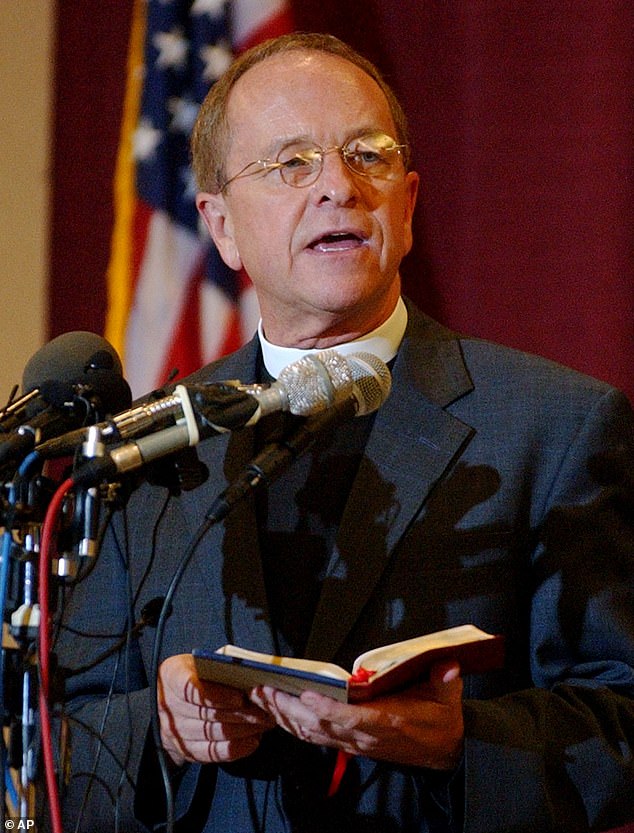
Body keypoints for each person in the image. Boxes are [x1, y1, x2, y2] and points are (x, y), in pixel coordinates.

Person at [49, 32, 634, 833]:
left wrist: (461, 739)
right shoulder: (147, 452)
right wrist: (163, 728)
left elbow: (622, 720)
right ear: (220, 227)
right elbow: (55, 745)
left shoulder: (555, 427)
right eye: (291, 163)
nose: (338, 187)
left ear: (409, 202)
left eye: (368, 155)